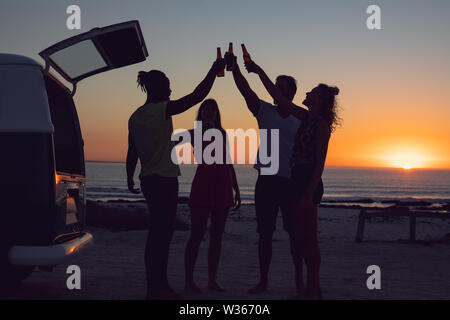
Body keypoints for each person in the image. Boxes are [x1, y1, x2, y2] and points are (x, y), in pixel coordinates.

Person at [126, 58, 225, 300]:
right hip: (164, 180)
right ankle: (157, 289)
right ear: (156, 88)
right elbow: (197, 96)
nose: (171, 90)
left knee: (158, 234)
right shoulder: (162, 108)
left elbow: (132, 151)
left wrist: (129, 177)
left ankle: (158, 286)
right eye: (168, 86)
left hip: (148, 180)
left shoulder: (136, 116)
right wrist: (214, 69)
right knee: (161, 235)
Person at [245, 59, 340, 299]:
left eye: (313, 93)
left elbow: (319, 165)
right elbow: (277, 97)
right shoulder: (305, 116)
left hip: (307, 182)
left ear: (321, 101)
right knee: (303, 236)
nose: (308, 93)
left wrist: (308, 193)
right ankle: (309, 287)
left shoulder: (321, 125)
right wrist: (257, 70)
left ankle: (313, 287)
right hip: (296, 181)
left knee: (309, 237)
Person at [225, 52, 302, 295]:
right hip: (266, 181)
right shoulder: (265, 111)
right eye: (276, 86)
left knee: (295, 235)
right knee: (265, 235)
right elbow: (245, 90)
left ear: (290, 93)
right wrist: (235, 69)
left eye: (281, 88)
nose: (276, 91)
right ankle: (263, 281)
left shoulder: (300, 118)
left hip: (291, 182)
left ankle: (300, 281)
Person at [176, 99, 241, 294]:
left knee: (217, 236)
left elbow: (228, 160)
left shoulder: (222, 133)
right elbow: (172, 142)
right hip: (203, 183)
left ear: (216, 112)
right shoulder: (195, 132)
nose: (209, 111)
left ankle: (212, 280)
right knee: (197, 234)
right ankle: (189, 281)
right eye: (206, 108)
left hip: (223, 184)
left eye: (213, 108)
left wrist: (236, 186)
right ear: (201, 112)